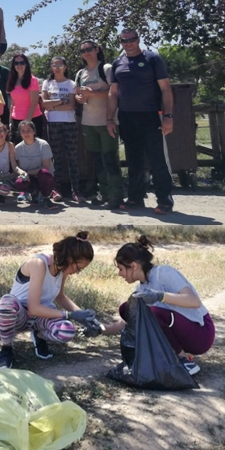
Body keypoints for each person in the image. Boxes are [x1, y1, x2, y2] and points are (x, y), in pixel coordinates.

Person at [99, 236, 215, 375]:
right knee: (126, 309)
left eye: (121, 269)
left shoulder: (164, 273)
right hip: (182, 334)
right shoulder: (141, 289)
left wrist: (161, 296)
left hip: (201, 333)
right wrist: (101, 329)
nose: (119, 274)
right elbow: (127, 321)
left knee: (153, 313)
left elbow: (194, 301)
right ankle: (168, 357)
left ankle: (184, 360)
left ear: (134, 266)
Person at [0, 231, 97, 369]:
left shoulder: (62, 270)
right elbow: (33, 308)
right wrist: (70, 315)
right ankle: (6, 348)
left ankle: (39, 336)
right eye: (78, 268)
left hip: (41, 318)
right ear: (70, 258)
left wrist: (83, 315)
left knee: (67, 331)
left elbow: (60, 297)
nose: (76, 273)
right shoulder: (39, 264)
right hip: (20, 316)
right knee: (7, 302)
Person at [107, 28, 175, 214]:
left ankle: (165, 200)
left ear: (138, 40)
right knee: (133, 160)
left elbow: (166, 90)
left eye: (132, 39)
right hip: (127, 117)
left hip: (150, 115)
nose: (128, 43)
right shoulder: (117, 63)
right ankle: (136, 198)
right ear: (120, 42)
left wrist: (168, 116)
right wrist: (109, 119)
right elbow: (113, 93)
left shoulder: (152, 59)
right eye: (124, 40)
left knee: (156, 158)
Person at [75, 39, 123, 210]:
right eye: (83, 51)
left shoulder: (106, 68)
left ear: (97, 49)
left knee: (110, 159)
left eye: (89, 49)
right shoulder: (80, 73)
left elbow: (114, 92)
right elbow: (78, 96)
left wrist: (93, 93)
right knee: (98, 161)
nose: (86, 53)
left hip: (107, 121)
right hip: (88, 123)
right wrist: (79, 98)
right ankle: (104, 193)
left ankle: (117, 196)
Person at [42, 56, 82, 203]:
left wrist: (53, 105)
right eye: (54, 65)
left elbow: (71, 105)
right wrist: (59, 102)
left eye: (60, 65)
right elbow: (44, 104)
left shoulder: (71, 84)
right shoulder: (47, 83)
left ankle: (76, 191)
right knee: (56, 158)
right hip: (53, 124)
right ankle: (56, 189)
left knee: (72, 158)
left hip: (69, 123)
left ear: (65, 67)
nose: (57, 67)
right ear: (51, 67)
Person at [13, 120, 58, 209]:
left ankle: (45, 195)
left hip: (44, 177)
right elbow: (17, 167)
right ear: (20, 133)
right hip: (30, 178)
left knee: (44, 173)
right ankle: (34, 193)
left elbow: (46, 167)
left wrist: (26, 173)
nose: (26, 133)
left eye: (29, 130)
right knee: (18, 182)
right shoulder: (18, 148)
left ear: (34, 131)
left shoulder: (43, 144)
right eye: (23, 131)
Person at [7, 53, 44, 144]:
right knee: (18, 150)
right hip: (16, 121)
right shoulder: (12, 80)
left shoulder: (32, 80)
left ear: (26, 64)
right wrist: (10, 121)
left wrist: (26, 124)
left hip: (32, 120)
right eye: (16, 63)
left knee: (33, 149)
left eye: (22, 63)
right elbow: (13, 103)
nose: (19, 65)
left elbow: (34, 103)